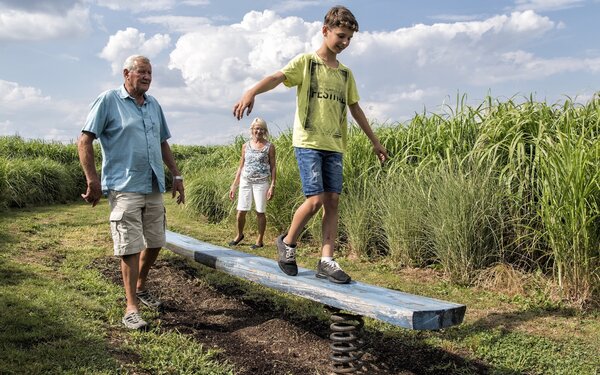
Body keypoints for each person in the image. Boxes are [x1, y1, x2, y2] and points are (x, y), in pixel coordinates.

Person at [233, 6, 388, 284]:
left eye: (349, 38)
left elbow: (355, 109)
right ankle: (288, 243)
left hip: (335, 144)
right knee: (315, 200)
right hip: (308, 142)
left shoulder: (345, 74)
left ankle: (326, 259)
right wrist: (252, 90)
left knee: (333, 201)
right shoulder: (307, 62)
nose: (345, 43)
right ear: (325, 31)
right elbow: (278, 77)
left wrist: (375, 141)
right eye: (341, 35)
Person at [78, 55, 185, 330]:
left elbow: (162, 141)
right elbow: (85, 139)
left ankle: (140, 286)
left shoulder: (153, 104)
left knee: (156, 240)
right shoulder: (108, 100)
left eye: (150, 72)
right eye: (142, 72)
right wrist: (93, 180)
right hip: (124, 185)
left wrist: (176, 173)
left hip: (151, 184)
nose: (147, 77)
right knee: (129, 245)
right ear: (126, 73)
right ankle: (131, 308)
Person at [228, 117, 277, 249]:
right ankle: (239, 235)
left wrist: (272, 185)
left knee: (260, 211)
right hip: (245, 181)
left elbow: (273, 167)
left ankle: (259, 240)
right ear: (252, 130)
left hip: (261, 183)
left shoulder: (269, 146)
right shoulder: (245, 146)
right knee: (241, 211)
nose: (259, 131)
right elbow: (241, 166)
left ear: (265, 130)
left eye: (261, 129)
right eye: (256, 128)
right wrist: (234, 185)